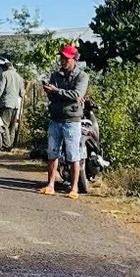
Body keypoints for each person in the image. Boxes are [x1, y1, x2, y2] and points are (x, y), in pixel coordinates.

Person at [38, 44, 89, 199]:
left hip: (72, 120)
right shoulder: (55, 75)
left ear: (74, 59)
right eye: (62, 57)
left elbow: (77, 94)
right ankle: (50, 185)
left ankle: (74, 188)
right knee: (52, 153)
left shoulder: (82, 76)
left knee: (73, 155)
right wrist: (53, 92)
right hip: (55, 118)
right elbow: (56, 96)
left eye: (66, 58)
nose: (63, 60)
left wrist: (56, 91)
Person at [0, 59, 25, 151]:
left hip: (6, 103)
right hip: (15, 105)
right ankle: (10, 144)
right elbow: (22, 93)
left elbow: (0, 89)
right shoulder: (19, 77)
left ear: (5, 68)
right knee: (12, 126)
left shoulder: (4, 75)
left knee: (3, 124)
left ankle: (6, 145)